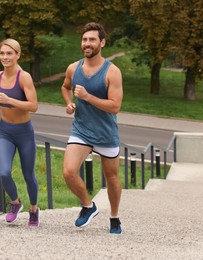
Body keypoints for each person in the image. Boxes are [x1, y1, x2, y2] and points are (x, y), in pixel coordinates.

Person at [61, 22, 123, 234]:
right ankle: (88, 206)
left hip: (106, 134)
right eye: (85, 40)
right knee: (69, 171)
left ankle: (115, 217)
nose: (87, 43)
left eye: (92, 40)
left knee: (112, 178)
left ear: (102, 42)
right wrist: (69, 103)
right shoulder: (73, 68)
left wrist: (88, 97)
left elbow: (115, 106)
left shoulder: (112, 72)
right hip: (81, 130)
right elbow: (65, 86)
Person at [0, 38, 40, 227]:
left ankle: (34, 210)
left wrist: (9, 100)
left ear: (18, 55)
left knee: (28, 175)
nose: (5, 57)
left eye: (9, 53)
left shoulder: (24, 77)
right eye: (2, 53)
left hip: (24, 133)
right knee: (3, 173)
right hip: (5, 132)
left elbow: (33, 105)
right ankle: (15, 203)